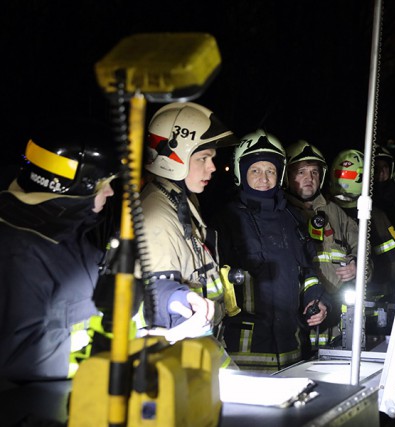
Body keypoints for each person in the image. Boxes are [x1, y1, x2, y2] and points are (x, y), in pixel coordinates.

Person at [0, 119, 120, 424]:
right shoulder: (21, 252)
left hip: (69, 405)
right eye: (103, 184)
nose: (109, 194)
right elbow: (18, 360)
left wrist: (173, 300)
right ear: (72, 186)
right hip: (31, 412)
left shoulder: (68, 238)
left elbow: (111, 289)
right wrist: (106, 358)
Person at [215, 130, 330, 372]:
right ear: (240, 172)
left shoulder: (292, 218)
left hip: (292, 348)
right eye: (255, 170)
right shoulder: (225, 219)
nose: (264, 178)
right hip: (244, 353)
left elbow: (307, 271)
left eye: (271, 170)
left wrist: (316, 301)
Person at [140, 101, 239, 361]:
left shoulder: (179, 202)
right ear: (173, 160)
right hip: (179, 362)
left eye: (212, 159)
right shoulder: (156, 219)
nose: (213, 168)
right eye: (203, 159)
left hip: (200, 354)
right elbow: (161, 320)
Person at [284, 140, 359, 347]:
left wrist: (356, 264)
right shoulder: (280, 214)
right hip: (297, 328)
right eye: (301, 172)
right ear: (286, 176)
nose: (309, 178)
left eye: (314, 172)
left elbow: (363, 249)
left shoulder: (335, 213)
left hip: (336, 326)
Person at [330, 148, 395, 298]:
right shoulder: (324, 213)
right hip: (332, 299)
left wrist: (368, 271)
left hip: (373, 295)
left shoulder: (376, 216)